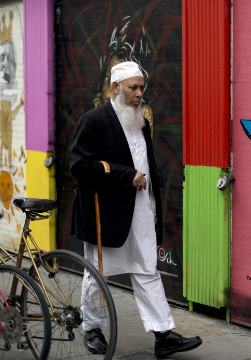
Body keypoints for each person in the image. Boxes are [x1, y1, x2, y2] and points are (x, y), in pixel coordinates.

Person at [69, 61, 202, 358]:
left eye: (142, 88)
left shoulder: (140, 120)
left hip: (141, 210)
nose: (140, 93)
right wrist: (123, 174)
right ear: (115, 88)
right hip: (106, 212)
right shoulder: (93, 120)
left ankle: (163, 334)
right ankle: (92, 329)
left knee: (147, 269)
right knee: (97, 273)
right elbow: (78, 166)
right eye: (133, 88)